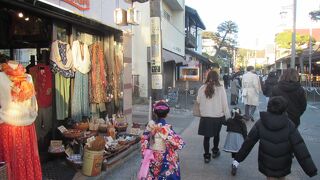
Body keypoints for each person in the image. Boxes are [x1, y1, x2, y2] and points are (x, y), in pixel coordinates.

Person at [235, 96, 317, 179]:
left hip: (267, 162)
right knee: (282, 178)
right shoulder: (289, 124)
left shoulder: (261, 123)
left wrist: (237, 159)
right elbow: (300, 148)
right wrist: (311, 170)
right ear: (284, 108)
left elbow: (249, 143)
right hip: (283, 163)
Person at [0, 60, 42, 180]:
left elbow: (33, 101)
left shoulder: (27, 77)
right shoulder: (1, 76)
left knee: (25, 157)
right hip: (9, 126)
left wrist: (32, 114)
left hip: (25, 126)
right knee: (13, 159)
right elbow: (34, 105)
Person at [140, 101, 185, 179]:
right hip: (163, 156)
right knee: (165, 174)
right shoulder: (166, 128)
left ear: (155, 113)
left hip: (152, 155)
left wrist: (145, 151)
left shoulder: (151, 125)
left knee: (153, 175)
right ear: (167, 114)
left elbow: (144, 139)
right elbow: (179, 144)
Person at [197, 70, 230, 163]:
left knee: (206, 137)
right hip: (217, 117)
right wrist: (228, 117)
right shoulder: (220, 88)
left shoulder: (202, 88)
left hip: (205, 117)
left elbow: (198, 101)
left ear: (208, 77)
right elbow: (225, 104)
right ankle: (215, 151)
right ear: (217, 78)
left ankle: (207, 156)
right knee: (216, 135)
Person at [223, 107, 247, 176]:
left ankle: (234, 162)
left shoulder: (230, 120)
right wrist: (246, 139)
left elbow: (224, 122)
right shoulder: (242, 121)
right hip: (238, 138)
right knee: (238, 150)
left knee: (233, 150)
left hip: (231, 137)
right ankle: (235, 164)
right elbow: (244, 131)